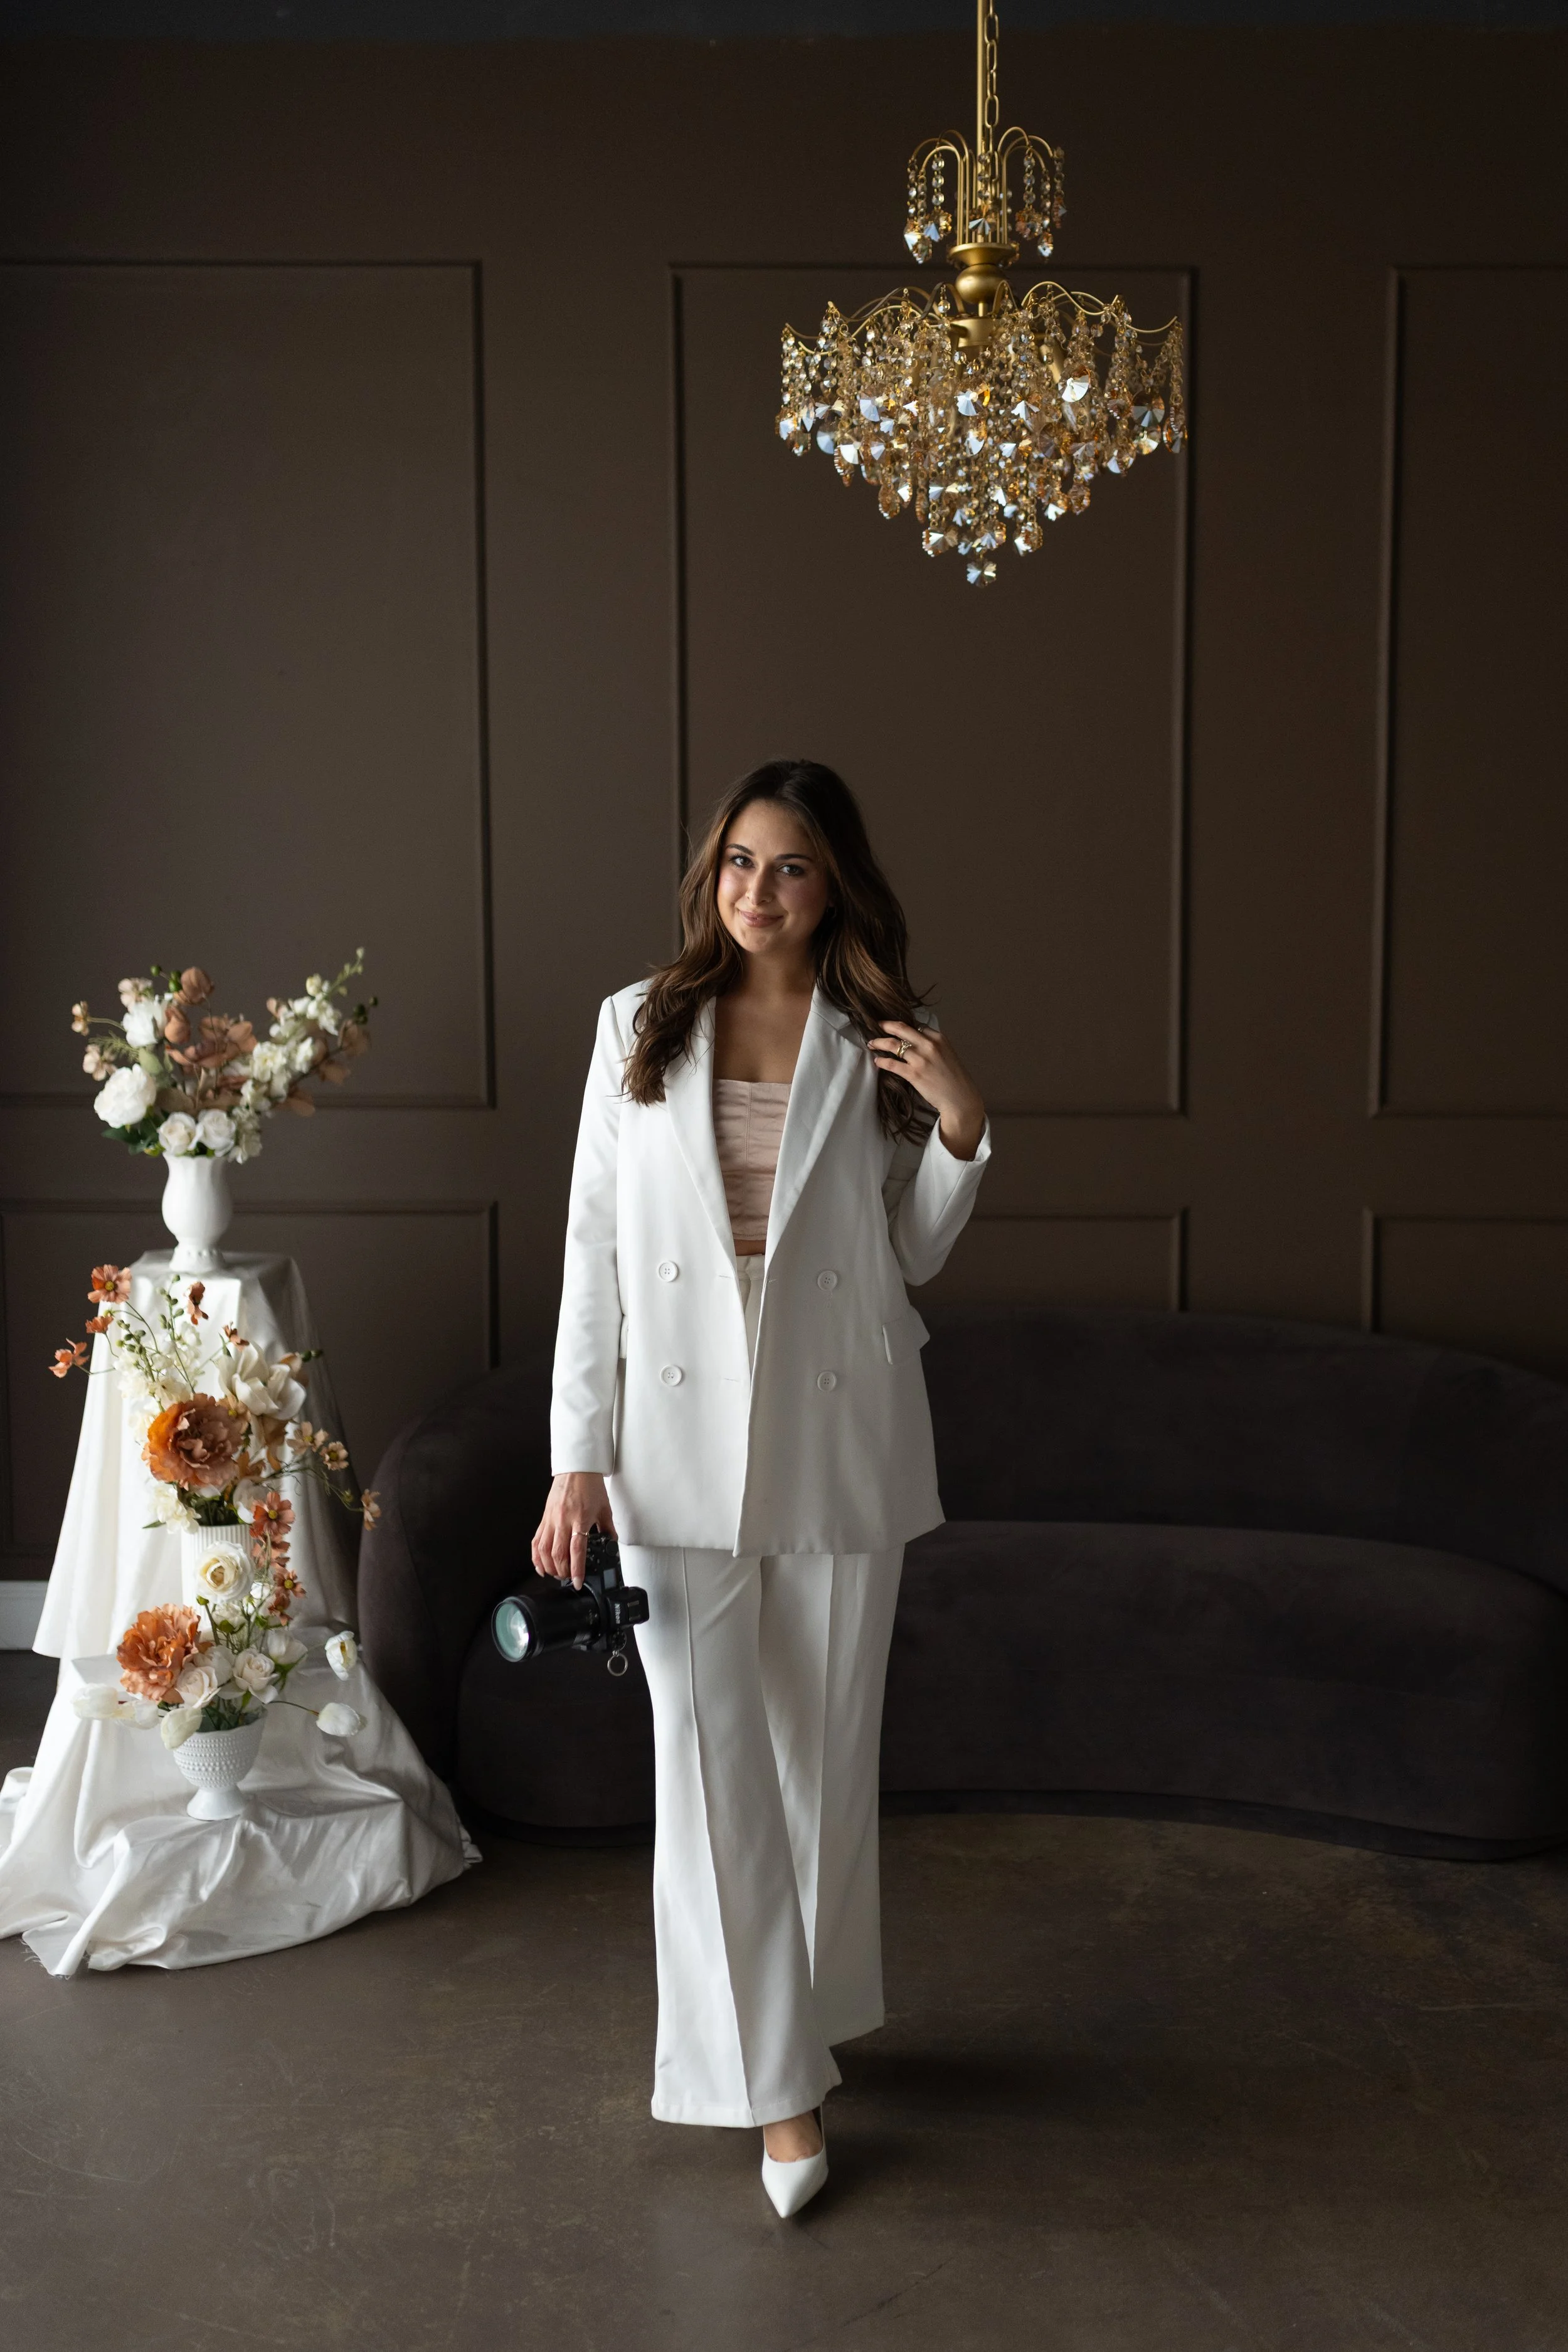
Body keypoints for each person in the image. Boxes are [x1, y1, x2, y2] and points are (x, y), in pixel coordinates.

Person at [533, 759, 990, 2217]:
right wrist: (574, 1458)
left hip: (836, 1433)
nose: (757, 891)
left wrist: (963, 1127)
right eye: (737, 861)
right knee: (708, 1762)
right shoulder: (636, 1023)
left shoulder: (882, 1035)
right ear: (709, 873)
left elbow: (909, 1250)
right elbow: (591, 1252)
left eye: (789, 867)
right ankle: (777, 2096)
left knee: (817, 1758)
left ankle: (807, 2017)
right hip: (670, 1449)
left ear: (832, 882)